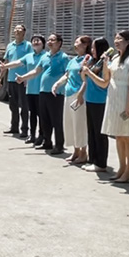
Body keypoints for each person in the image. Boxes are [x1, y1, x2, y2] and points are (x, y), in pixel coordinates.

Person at [16, 34, 68, 155]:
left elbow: (67, 73)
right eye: (49, 40)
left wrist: (58, 84)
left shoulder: (63, 57)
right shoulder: (45, 57)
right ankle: (47, 142)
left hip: (56, 93)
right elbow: (36, 71)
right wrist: (23, 78)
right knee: (45, 119)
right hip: (43, 91)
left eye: (52, 40)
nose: (50, 42)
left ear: (59, 43)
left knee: (56, 120)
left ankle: (59, 145)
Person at [100, 31, 129, 183]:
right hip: (113, 98)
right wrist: (105, 62)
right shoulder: (116, 58)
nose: (116, 41)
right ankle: (122, 168)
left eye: (120, 39)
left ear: (128, 41)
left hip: (125, 99)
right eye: (115, 38)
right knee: (118, 135)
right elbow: (107, 77)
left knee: (127, 136)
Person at [50, 35, 91, 165]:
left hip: (79, 95)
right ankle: (76, 150)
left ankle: (83, 152)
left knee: (80, 124)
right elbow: (67, 75)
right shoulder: (73, 60)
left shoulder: (87, 59)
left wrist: (81, 93)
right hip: (68, 94)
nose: (75, 44)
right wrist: (57, 84)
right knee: (70, 123)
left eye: (78, 42)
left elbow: (88, 78)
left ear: (85, 45)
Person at [0, 33, 45, 145]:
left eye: (38, 40)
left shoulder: (46, 56)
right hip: (30, 89)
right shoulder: (29, 56)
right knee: (32, 114)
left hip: (42, 90)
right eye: (34, 40)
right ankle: (33, 136)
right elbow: (17, 62)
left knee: (41, 115)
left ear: (43, 44)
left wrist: (23, 77)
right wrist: (5, 67)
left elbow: (36, 71)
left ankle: (43, 137)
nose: (35, 42)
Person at [78, 37, 110, 173]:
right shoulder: (92, 61)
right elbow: (83, 78)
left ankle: (101, 163)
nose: (91, 51)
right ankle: (92, 159)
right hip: (90, 99)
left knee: (99, 133)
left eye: (94, 48)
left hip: (100, 101)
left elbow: (104, 82)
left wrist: (89, 72)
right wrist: (84, 67)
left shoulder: (105, 63)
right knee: (91, 131)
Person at [0, 24, 32, 138]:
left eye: (19, 29)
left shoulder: (28, 46)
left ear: (24, 32)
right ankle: (14, 127)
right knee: (13, 105)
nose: (17, 31)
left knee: (24, 106)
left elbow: (31, 62)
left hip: (22, 80)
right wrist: (0, 77)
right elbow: (6, 62)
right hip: (11, 79)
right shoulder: (10, 46)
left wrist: (28, 78)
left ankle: (25, 129)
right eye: (15, 29)